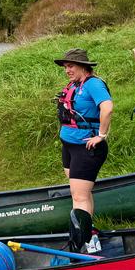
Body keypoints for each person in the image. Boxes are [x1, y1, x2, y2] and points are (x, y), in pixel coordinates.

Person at [53, 48, 113, 251]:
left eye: (70, 66)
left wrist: (101, 136)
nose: (66, 70)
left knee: (80, 196)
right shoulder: (74, 85)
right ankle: (86, 234)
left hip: (86, 148)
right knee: (79, 195)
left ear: (83, 66)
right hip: (70, 146)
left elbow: (107, 107)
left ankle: (82, 242)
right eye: (65, 66)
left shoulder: (94, 84)